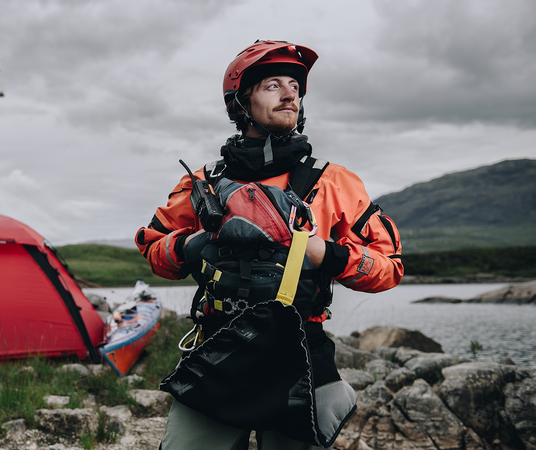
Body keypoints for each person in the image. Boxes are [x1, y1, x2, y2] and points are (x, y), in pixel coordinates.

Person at [134, 40, 404, 449]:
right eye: (272, 85)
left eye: (294, 85)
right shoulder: (202, 184)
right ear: (241, 102)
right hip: (220, 347)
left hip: (300, 352)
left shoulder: (334, 183)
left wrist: (323, 253)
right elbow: (153, 247)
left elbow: (389, 268)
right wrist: (193, 245)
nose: (289, 93)